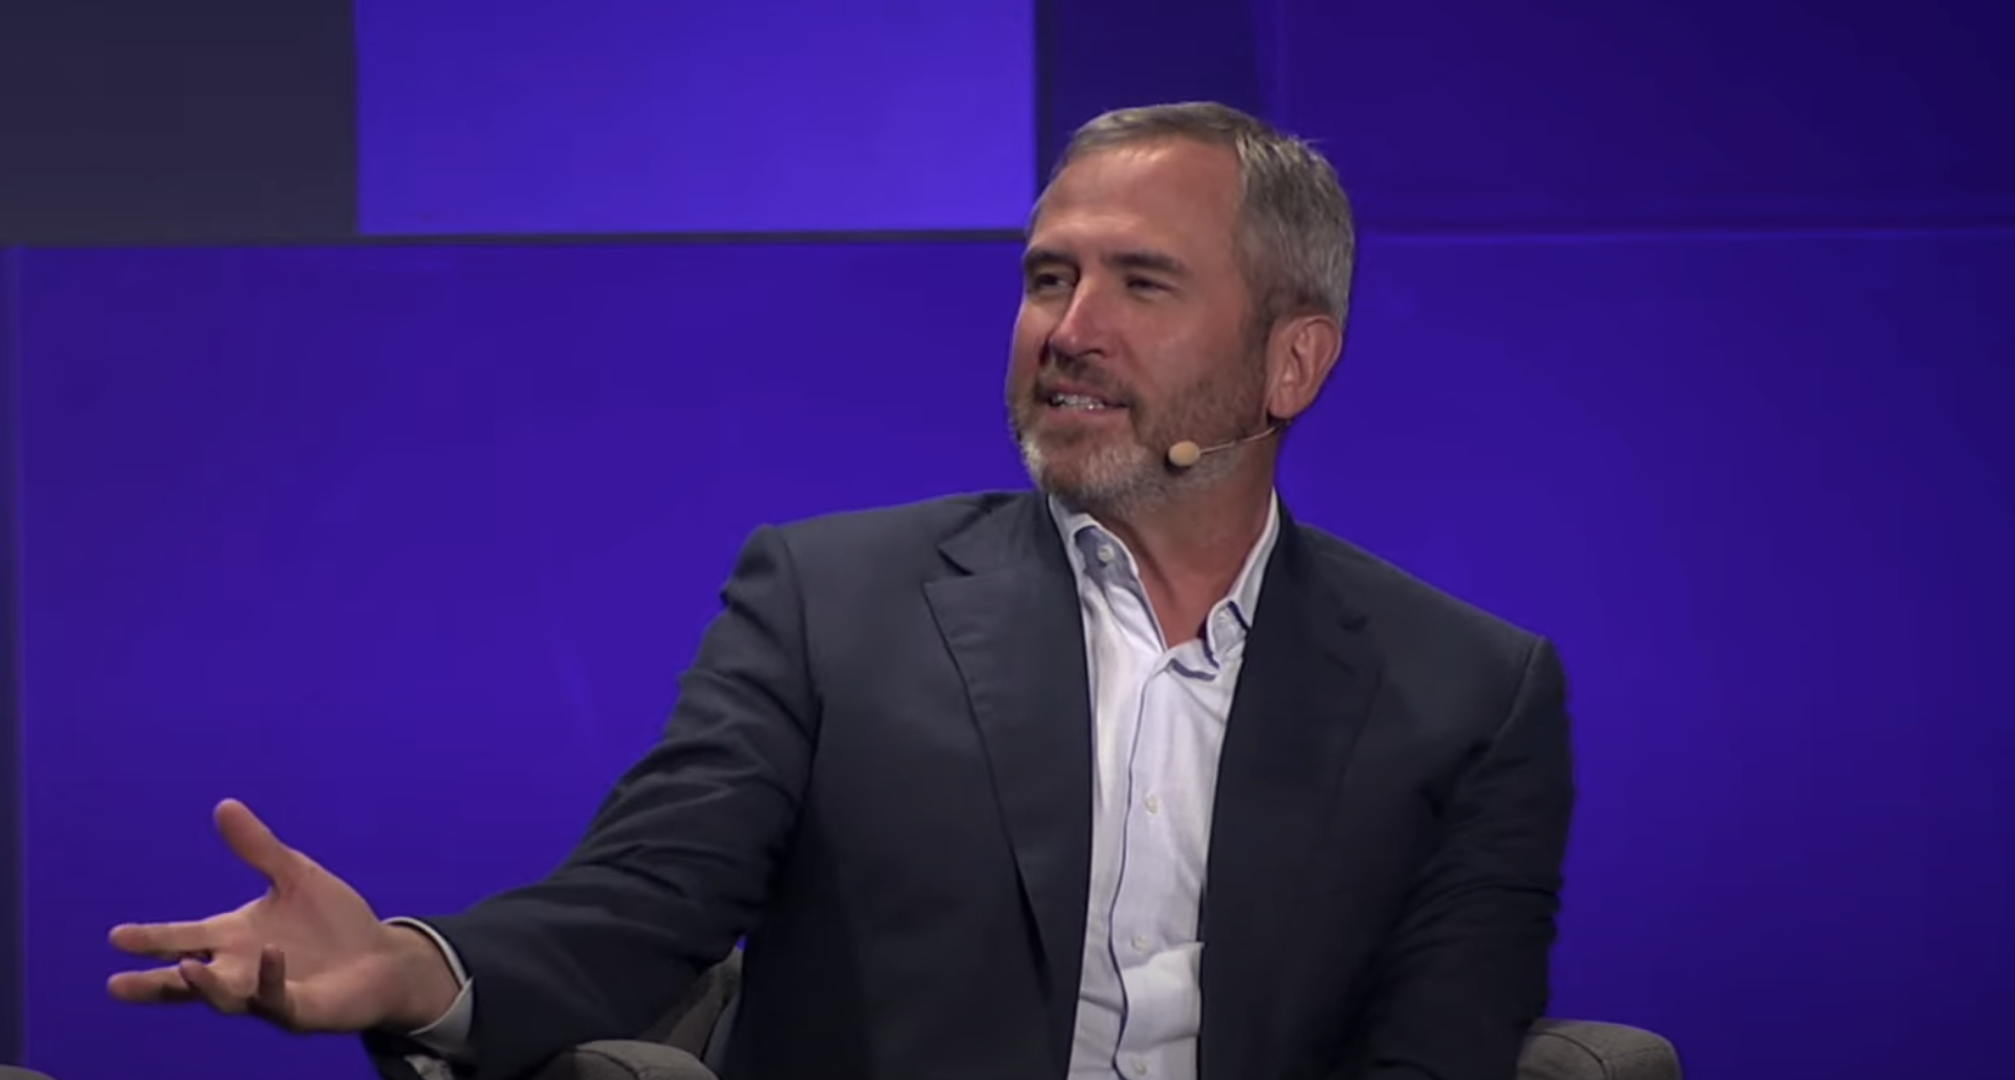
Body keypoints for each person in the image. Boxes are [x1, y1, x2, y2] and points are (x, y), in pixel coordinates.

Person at [107, 101, 1575, 1080]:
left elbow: (1439, 1047)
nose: (1067, 331)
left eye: (1141, 283)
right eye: (1045, 278)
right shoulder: (832, 604)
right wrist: (408, 968)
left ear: (1290, 363)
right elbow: (639, 908)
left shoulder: (1470, 694)